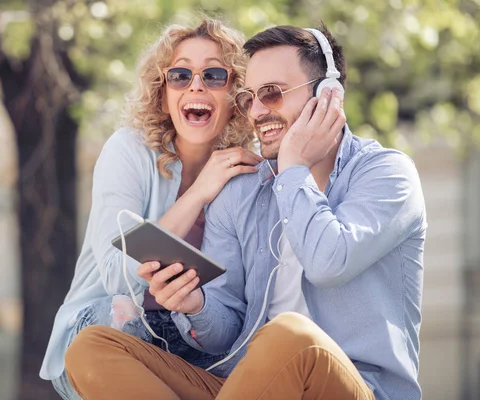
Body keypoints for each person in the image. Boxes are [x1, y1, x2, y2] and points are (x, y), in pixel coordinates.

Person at [64, 24, 427, 400]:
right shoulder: (243, 191)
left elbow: (327, 262)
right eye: (248, 98)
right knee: (91, 347)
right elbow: (226, 327)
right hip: (247, 386)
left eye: (271, 94)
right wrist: (198, 305)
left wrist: (293, 169)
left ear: (328, 95)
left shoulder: (387, 174)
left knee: (290, 335)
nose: (256, 111)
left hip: (349, 387)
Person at [39, 18, 265, 400]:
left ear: (237, 96)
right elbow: (116, 276)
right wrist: (197, 195)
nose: (196, 85)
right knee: (123, 313)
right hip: (106, 330)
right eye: (179, 75)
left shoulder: (248, 173)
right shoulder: (128, 151)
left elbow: (237, 308)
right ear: (162, 95)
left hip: (196, 339)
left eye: (214, 75)